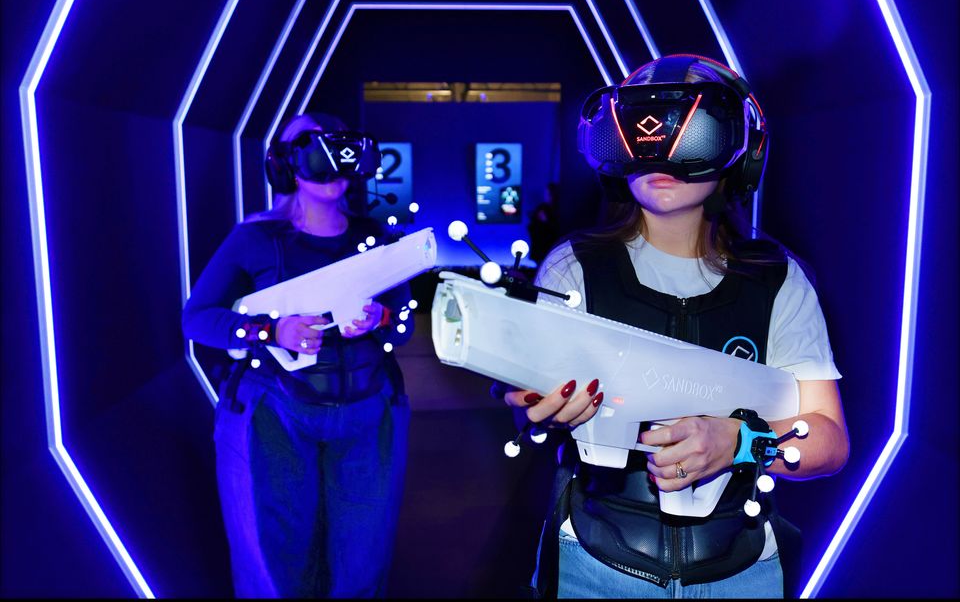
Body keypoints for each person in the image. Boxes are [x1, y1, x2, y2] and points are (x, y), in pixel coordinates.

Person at [496, 54, 849, 599]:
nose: (661, 150)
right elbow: (533, 395)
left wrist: (741, 441)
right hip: (595, 563)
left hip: (743, 570)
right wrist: (531, 399)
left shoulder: (776, 280)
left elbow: (827, 439)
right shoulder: (576, 266)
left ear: (737, 145)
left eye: (690, 131)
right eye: (643, 130)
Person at [182, 112, 413, 598]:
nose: (327, 164)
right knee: (273, 561)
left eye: (333, 148)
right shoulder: (256, 237)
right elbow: (198, 317)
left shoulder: (375, 240)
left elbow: (404, 321)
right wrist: (268, 331)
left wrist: (380, 321)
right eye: (311, 149)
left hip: (369, 412)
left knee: (362, 563)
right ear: (286, 164)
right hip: (275, 415)